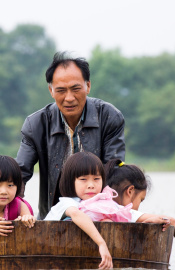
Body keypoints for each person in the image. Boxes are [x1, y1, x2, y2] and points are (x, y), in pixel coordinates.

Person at [16, 51, 126, 219]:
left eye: (76, 89)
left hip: (100, 216)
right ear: (51, 91)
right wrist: (9, 209)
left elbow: (114, 170)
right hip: (54, 217)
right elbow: (19, 175)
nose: (69, 98)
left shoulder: (109, 116)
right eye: (61, 90)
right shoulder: (36, 124)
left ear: (88, 86)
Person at [104, 159, 175, 267]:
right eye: (141, 200)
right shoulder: (122, 212)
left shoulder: (94, 204)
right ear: (130, 191)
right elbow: (173, 222)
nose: (139, 205)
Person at [44, 151, 113, 269]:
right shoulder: (66, 203)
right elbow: (76, 214)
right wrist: (101, 243)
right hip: (55, 254)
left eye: (96, 179)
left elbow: (125, 212)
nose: (91, 185)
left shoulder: (101, 204)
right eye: (83, 179)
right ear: (71, 182)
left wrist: (152, 218)